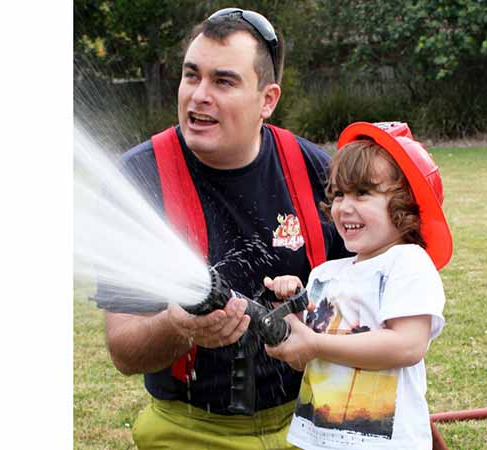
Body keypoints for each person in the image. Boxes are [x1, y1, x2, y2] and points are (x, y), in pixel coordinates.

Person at [92, 8, 349, 450]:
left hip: (313, 416)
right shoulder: (138, 180)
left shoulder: (317, 172)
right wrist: (178, 325)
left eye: (223, 81)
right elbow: (124, 350)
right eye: (192, 76)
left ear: (267, 100)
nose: (198, 96)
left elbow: (375, 311)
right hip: (189, 430)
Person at [263, 121, 453, 449]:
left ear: (406, 203)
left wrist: (317, 345)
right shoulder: (324, 274)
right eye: (338, 194)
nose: (344, 206)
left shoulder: (407, 263)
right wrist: (290, 313)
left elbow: (407, 346)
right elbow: (305, 356)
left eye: (362, 193)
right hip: (321, 438)